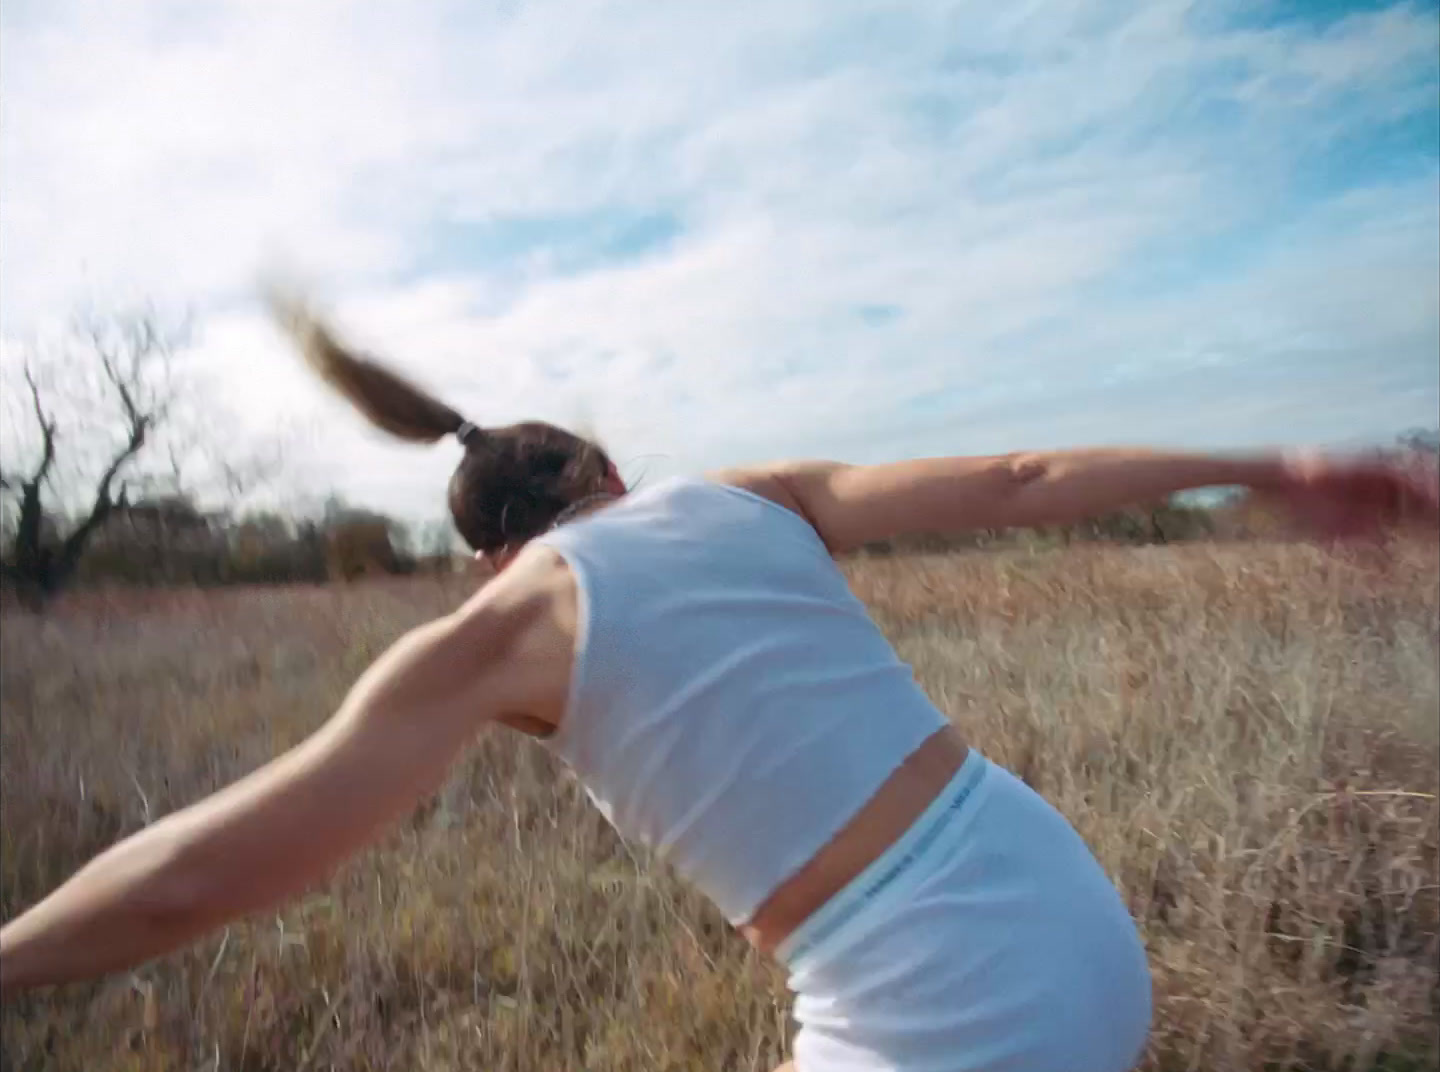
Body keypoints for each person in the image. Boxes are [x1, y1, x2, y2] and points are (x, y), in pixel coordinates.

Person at [2, 298, 1434, 1072]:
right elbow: (1019, 478)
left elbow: (198, 877)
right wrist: (1273, 466)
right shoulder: (752, 495)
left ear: (488, 563)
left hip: (936, 1007)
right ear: (615, 471)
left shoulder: (493, 638)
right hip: (1064, 904)